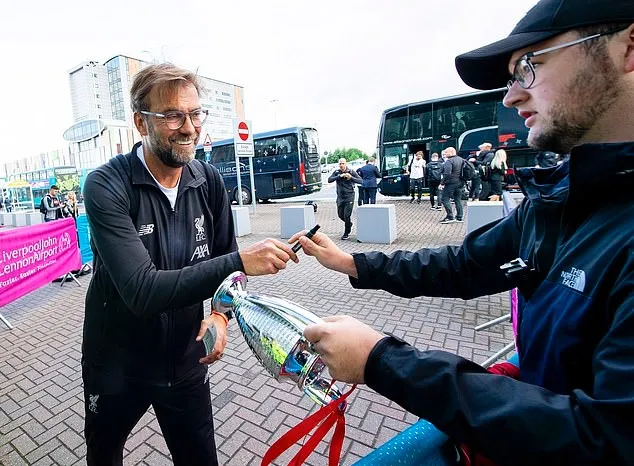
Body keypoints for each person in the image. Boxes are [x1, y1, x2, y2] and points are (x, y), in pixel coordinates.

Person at [290, 1, 634, 464]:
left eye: (529, 67)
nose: (511, 97)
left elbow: (604, 441)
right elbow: (467, 264)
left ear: (628, 48)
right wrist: (352, 262)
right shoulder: (562, 197)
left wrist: (382, 361)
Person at [81, 63, 299, 466]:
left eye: (195, 113)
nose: (189, 127)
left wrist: (220, 314)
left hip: (185, 360)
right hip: (115, 365)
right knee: (104, 456)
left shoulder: (209, 180)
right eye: (172, 115)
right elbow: (142, 291)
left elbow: (227, 271)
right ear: (140, 123)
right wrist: (241, 262)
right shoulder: (106, 185)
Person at [328, 158, 362, 240]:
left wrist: (351, 177)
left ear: (346, 164)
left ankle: (346, 232)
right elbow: (329, 180)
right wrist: (339, 176)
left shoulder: (351, 171)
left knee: (347, 215)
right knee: (340, 215)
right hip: (340, 197)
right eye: (340, 164)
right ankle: (349, 224)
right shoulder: (337, 172)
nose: (341, 165)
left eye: (343, 163)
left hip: (349, 196)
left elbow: (360, 180)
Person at [438, 147, 464, 223]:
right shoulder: (461, 159)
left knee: (445, 199)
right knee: (458, 199)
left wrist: (442, 183)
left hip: (451, 183)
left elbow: (447, 173)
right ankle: (459, 217)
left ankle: (450, 217)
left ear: (452, 152)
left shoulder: (449, 161)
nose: (445, 154)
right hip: (460, 182)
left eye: (446, 152)